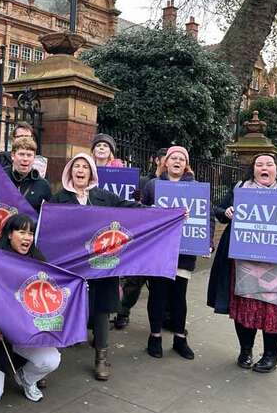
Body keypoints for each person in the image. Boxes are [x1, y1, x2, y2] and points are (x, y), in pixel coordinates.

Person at [207, 153, 277, 373]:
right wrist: (226, 212)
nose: (264, 167)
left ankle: (270, 355)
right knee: (245, 308)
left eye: (269, 164)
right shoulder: (240, 189)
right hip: (244, 265)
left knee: (276, 312)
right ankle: (245, 350)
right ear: (253, 169)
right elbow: (218, 211)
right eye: (259, 164)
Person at [50, 153, 141, 381]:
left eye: (85, 167)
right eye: (76, 166)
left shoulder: (103, 197)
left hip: (101, 266)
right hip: (71, 268)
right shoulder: (59, 199)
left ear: (91, 173)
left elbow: (130, 208)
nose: (80, 170)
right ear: (70, 171)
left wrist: (164, 212)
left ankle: (101, 357)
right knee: (62, 309)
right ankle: (48, 360)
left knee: (101, 309)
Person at [0, 214, 60, 403]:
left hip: (25, 334)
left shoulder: (39, 262)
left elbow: (52, 292)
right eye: (22, 232)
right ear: (9, 234)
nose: (27, 237)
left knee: (51, 359)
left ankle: (26, 378)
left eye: (30, 233)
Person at [142, 146, 200, 360]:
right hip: (158, 250)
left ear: (186, 164)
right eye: (173, 158)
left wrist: (207, 242)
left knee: (179, 297)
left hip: (184, 252)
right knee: (157, 295)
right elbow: (140, 213)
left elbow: (207, 217)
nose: (177, 161)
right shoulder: (153, 185)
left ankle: (179, 338)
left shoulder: (195, 187)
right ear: (165, 162)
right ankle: (154, 336)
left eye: (181, 159)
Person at [115, 147, 168, 330]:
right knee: (133, 281)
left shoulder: (177, 186)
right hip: (143, 240)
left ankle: (165, 317)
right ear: (157, 160)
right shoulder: (145, 181)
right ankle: (123, 312)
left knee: (161, 285)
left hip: (163, 242)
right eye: (164, 158)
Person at [4, 137, 51, 212]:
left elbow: (46, 216)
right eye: (21, 154)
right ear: (13, 155)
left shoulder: (43, 185)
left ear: (34, 158)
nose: (25, 159)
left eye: (29, 155)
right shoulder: (1, 177)